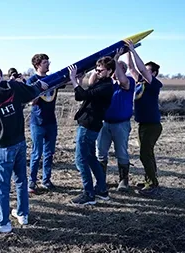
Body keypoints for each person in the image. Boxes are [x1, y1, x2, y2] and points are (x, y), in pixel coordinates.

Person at [0, 65, 49, 233]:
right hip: (20, 141)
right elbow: (31, 92)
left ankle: (3, 221)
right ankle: (22, 213)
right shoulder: (13, 86)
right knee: (21, 180)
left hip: (4, 145)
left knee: (2, 185)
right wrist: (40, 86)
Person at [68, 56, 115, 205]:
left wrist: (73, 80)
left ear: (110, 71)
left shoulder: (106, 86)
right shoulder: (101, 83)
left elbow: (84, 95)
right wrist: (79, 81)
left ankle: (88, 194)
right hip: (90, 125)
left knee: (80, 160)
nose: (97, 71)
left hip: (88, 126)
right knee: (90, 158)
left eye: (100, 70)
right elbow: (79, 97)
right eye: (96, 69)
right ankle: (101, 189)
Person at [89, 48, 136, 191]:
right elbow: (91, 83)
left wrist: (115, 60)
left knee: (121, 152)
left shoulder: (129, 82)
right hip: (104, 123)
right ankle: (100, 180)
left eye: (118, 68)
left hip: (121, 124)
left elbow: (123, 80)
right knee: (100, 153)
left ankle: (123, 181)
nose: (115, 70)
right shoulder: (106, 84)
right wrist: (96, 68)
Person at [126, 40, 163, 196]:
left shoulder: (154, 84)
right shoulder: (139, 82)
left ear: (153, 73)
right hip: (143, 124)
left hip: (152, 125)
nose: (143, 72)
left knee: (144, 154)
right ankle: (151, 179)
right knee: (148, 153)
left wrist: (134, 51)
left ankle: (152, 184)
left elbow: (140, 67)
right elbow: (132, 68)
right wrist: (126, 50)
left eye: (147, 71)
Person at [27, 53, 63, 193]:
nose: (48, 64)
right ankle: (32, 183)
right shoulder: (32, 80)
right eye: (45, 62)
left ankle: (46, 180)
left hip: (51, 122)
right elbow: (30, 101)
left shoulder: (53, 78)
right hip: (37, 122)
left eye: (48, 62)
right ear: (37, 65)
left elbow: (68, 81)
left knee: (49, 153)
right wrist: (38, 89)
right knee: (36, 153)